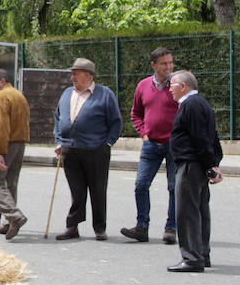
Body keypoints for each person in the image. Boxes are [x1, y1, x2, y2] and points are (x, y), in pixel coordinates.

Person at [53, 58, 122, 241]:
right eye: (72, 73)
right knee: (76, 191)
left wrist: (107, 143)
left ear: (88, 76)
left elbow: (115, 122)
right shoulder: (67, 93)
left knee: (98, 190)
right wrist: (59, 140)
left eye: (76, 73)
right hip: (70, 149)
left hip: (96, 149)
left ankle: (100, 227)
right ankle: (72, 226)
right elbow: (58, 117)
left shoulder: (104, 94)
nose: (72, 77)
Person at [167, 70, 223, 273]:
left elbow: (200, 139)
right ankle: (202, 254)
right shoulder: (201, 104)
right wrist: (213, 164)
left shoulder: (190, 105)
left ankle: (192, 258)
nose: (169, 89)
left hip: (190, 165)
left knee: (188, 212)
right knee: (200, 211)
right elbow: (212, 138)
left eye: (172, 85)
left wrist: (210, 165)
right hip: (198, 165)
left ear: (183, 86)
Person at [122, 48, 178, 244]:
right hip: (151, 144)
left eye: (170, 63)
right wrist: (143, 134)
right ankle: (142, 227)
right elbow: (135, 113)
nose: (168, 67)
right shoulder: (143, 86)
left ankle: (171, 228)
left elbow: (187, 109)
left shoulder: (178, 85)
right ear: (153, 65)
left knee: (174, 187)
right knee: (141, 185)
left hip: (174, 145)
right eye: (164, 63)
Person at [0, 68, 31, 240]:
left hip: (6, 144)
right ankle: (8, 222)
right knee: (10, 183)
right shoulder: (19, 95)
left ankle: (14, 216)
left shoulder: (2, 97)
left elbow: (0, 126)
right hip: (20, 144)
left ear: (2, 81)